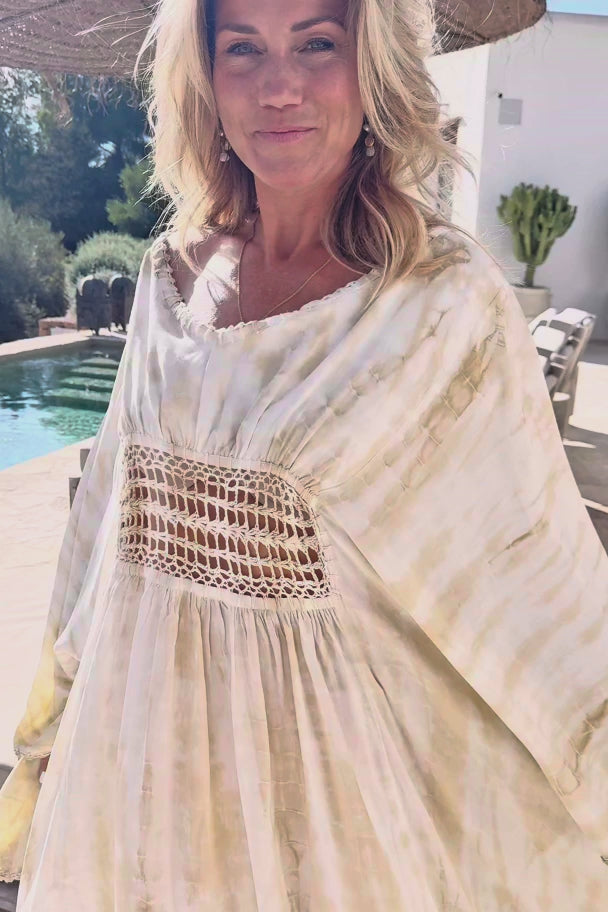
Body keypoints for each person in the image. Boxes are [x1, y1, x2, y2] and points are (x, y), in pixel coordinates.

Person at [1, 0, 608, 908]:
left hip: (328, 821)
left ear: (375, 65)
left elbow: (535, 585)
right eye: (242, 47)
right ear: (205, 75)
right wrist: (45, 733)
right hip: (130, 792)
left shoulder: (441, 301)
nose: (278, 86)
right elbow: (100, 535)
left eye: (317, 42)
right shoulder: (168, 276)